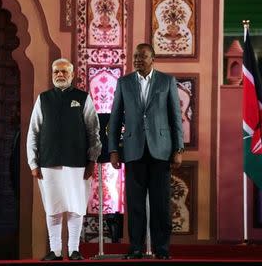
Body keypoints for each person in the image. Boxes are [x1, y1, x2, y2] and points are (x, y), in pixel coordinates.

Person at [108, 43, 184, 260]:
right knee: (135, 204)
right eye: (136, 56)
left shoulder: (166, 81)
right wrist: (114, 149)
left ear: (153, 59)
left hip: (161, 150)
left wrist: (178, 149)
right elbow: (115, 119)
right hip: (133, 151)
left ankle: (162, 249)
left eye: (143, 56)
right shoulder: (124, 83)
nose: (138, 59)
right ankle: (135, 248)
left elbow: (175, 118)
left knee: (161, 204)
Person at [26, 58, 102, 261]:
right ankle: (56, 251)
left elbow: (94, 131)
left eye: (64, 72)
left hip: (78, 163)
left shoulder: (83, 98)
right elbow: (33, 132)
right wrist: (33, 162)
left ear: (72, 74)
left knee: (76, 208)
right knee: (53, 209)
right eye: (56, 72)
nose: (60, 75)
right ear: (52, 74)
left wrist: (92, 160)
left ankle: (75, 250)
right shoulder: (43, 99)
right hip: (48, 162)